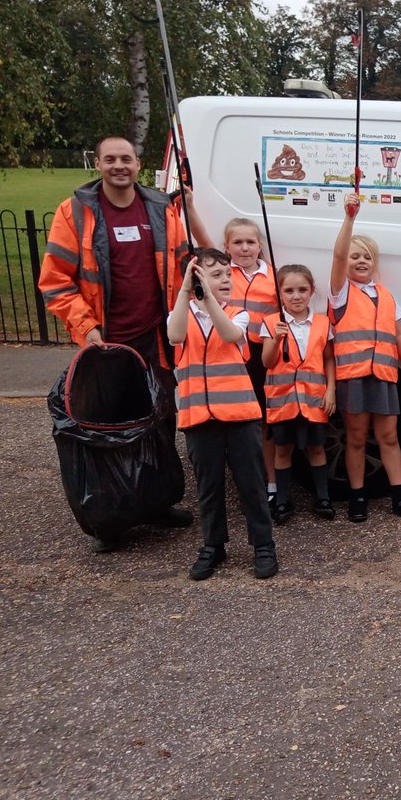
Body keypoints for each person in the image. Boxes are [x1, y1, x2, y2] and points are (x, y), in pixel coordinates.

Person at [39, 135, 212, 551]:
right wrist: (87, 327)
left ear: (138, 164)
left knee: (160, 421)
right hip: (106, 342)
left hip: (156, 336)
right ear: (97, 163)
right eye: (111, 159)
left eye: (127, 159)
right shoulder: (76, 212)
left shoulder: (159, 208)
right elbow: (55, 282)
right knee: (110, 426)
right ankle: (110, 519)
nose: (120, 166)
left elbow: (188, 260)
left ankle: (156, 503)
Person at [166, 248, 277, 580]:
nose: (226, 279)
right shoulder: (179, 312)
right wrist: (187, 293)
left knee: (251, 484)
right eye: (216, 275)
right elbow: (175, 335)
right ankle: (214, 545)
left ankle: (263, 544)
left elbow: (230, 334)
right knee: (209, 486)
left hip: (239, 415)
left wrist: (208, 300)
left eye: (228, 274)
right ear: (196, 280)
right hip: (198, 417)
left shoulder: (238, 313)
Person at [329, 192, 401, 524]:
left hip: (384, 376)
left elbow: (398, 334)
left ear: (375, 263)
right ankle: (358, 497)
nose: (359, 261)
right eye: (355, 257)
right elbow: (339, 256)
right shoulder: (340, 293)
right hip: (354, 376)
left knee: (388, 437)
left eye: (366, 257)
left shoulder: (385, 295)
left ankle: (400, 497)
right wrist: (350, 219)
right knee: (355, 437)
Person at [261, 264, 337, 523]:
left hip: (314, 400)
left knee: (316, 447)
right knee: (283, 449)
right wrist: (275, 340)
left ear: (311, 291)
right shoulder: (272, 323)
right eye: (289, 290)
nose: (296, 296)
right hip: (283, 403)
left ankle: (323, 498)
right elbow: (267, 362)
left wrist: (331, 391)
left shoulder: (323, 322)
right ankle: (282, 501)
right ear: (279, 293)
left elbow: (328, 359)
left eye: (302, 290)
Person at [224, 217, 278, 504]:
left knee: (264, 420)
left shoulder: (273, 276)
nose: (244, 248)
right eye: (237, 242)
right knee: (238, 422)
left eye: (250, 242)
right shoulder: (222, 272)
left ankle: (271, 483)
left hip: (261, 355)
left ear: (260, 246)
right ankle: (246, 484)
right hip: (230, 354)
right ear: (226, 247)